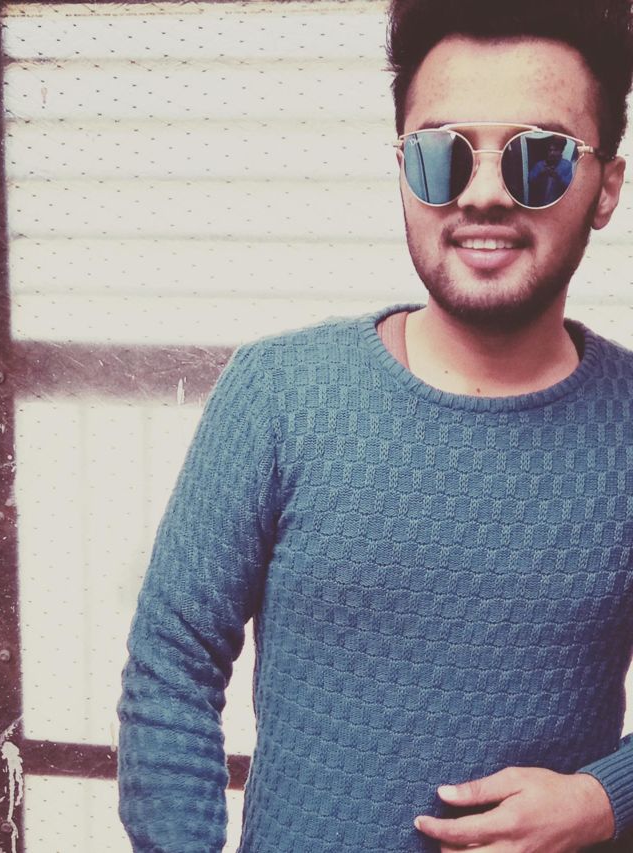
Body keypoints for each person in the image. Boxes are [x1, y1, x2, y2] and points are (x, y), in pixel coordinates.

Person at [117, 1, 633, 851]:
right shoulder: (279, 392)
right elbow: (171, 668)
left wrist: (604, 799)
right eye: (441, 154)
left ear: (606, 186)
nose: (484, 193)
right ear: (400, 166)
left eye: (538, 156)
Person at [527, 135, 574, 206]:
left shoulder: (566, 165)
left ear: (561, 151)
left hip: (557, 205)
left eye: (555, 150)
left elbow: (570, 186)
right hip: (539, 204)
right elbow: (529, 180)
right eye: (550, 150)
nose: (552, 153)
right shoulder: (539, 165)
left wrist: (558, 177)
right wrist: (541, 174)